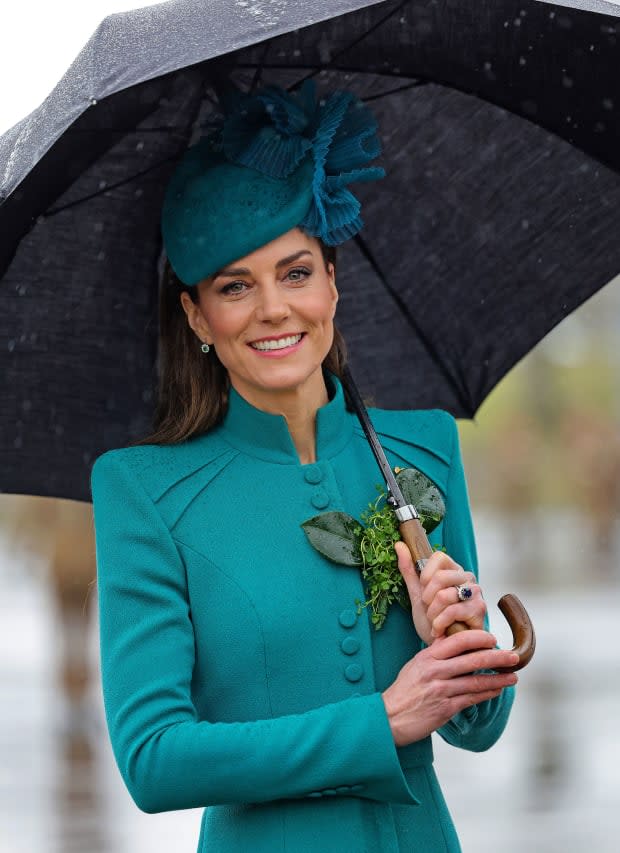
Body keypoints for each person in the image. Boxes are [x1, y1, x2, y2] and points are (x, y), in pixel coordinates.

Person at [91, 82, 518, 853]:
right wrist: (381, 721)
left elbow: (477, 730)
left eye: (295, 272)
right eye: (234, 286)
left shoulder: (422, 449)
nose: (274, 309)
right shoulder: (145, 492)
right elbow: (152, 759)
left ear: (332, 280)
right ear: (197, 316)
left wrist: (460, 630)